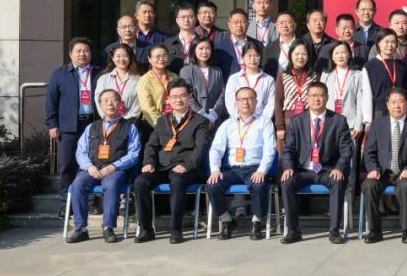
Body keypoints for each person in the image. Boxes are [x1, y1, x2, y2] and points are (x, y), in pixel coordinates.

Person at [133, 80, 210, 244]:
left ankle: (176, 229)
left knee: (177, 180)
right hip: (162, 167)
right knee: (140, 182)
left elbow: (201, 149)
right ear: (168, 99)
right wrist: (149, 162)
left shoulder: (200, 121)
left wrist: (187, 165)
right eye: (174, 97)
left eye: (182, 96)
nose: (178, 100)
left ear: (189, 97)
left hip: (187, 169)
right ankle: (146, 229)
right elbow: (151, 145)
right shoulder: (162, 121)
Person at [280, 81, 353, 244]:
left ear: (327, 98)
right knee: (287, 181)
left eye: (320, 95)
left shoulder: (338, 120)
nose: (317, 99)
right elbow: (289, 149)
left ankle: (334, 230)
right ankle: (293, 230)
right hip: (304, 171)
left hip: (328, 170)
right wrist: (288, 167)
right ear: (307, 98)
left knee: (338, 180)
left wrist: (339, 167)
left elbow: (346, 149)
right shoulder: (297, 121)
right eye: (313, 95)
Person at [66, 89, 142, 243]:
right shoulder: (91, 127)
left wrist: (114, 166)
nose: (110, 103)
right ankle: (81, 229)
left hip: (116, 170)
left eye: (114, 100)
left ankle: (108, 227)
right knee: (78, 184)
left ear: (120, 104)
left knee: (111, 184)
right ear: (100, 105)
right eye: (105, 100)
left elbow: (134, 154)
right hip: (93, 168)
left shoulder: (130, 127)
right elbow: (81, 152)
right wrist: (89, 167)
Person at [361, 88, 407, 244]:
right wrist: (373, 169)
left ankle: (406, 231)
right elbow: (369, 152)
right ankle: (374, 231)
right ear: (387, 105)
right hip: (383, 173)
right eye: (393, 102)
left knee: (406, 186)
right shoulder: (378, 124)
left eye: (400, 102)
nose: (397, 106)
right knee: (369, 185)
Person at [206, 86, 276, 240]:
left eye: (250, 98)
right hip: (232, 169)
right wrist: (215, 169)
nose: (246, 102)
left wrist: (262, 170)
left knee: (259, 185)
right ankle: (226, 220)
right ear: (236, 103)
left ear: (256, 102)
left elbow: (270, 149)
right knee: (213, 185)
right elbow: (216, 149)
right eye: (242, 99)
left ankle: (256, 222)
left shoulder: (265, 122)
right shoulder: (227, 124)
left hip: (254, 169)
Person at [48, 38, 101, 197]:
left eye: (86, 51)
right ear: (71, 54)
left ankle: (91, 201)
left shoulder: (99, 73)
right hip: (68, 126)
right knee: (67, 164)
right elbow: (51, 100)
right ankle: (66, 202)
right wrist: (52, 124)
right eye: (78, 51)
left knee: (93, 163)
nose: (82, 54)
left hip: (93, 124)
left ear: (91, 54)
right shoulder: (60, 73)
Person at [322, 40, 373, 137]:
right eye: (337, 53)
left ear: (349, 54)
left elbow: (360, 101)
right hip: (329, 123)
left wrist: (358, 124)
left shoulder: (358, 75)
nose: (340, 56)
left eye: (343, 52)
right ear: (332, 57)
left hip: (351, 124)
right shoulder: (326, 75)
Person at [274, 40, 315, 155]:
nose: (300, 57)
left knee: (305, 156)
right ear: (290, 55)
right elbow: (278, 101)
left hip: (308, 121)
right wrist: (280, 126)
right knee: (286, 157)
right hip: (288, 121)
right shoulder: (283, 75)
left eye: (304, 54)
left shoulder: (314, 76)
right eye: (297, 54)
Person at [179, 37, 226, 124]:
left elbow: (223, 93)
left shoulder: (217, 71)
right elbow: (187, 94)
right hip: (193, 118)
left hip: (215, 119)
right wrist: (201, 113)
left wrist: (214, 114)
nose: (204, 51)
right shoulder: (186, 71)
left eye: (207, 48)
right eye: (201, 48)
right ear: (194, 50)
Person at [223, 41, 276, 119]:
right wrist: (240, 119)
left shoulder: (269, 80)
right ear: (243, 58)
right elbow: (230, 102)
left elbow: (270, 104)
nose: (253, 59)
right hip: (238, 122)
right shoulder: (234, 79)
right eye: (249, 56)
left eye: (256, 55)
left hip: (261, 122)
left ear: (260, 58)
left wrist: (262, 121)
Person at [366, 31, 407, 118]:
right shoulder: (369, 66)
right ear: (379, 43)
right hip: (379, 111)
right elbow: (366, 95)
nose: (390, 45)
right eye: (386, 42)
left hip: (399, 109)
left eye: (393, 42)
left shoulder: (402, 66)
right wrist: (367, 120)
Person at [94, 43, 141, 122]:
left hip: (130, 122)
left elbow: (138, 104)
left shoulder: (138, 80)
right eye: (118, 56)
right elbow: (98, 101)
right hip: (108, 122)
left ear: (130, 58)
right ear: (112, 58)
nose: (121, 59)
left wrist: (128, 121)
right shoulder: (103, 79)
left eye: (125, 56)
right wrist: (108, 118)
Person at [136, 44, 179, 128]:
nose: (161, 59)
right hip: (153, 125)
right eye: (157, 56)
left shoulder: (175, 77)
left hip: (175, 121)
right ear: (149, 59)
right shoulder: (144, 80)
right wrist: (163, 127)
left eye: (164, 56)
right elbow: (147, 107)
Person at [163, 3, 198, 73]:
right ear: (177, 20)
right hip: (174, 78)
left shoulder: (202, 42)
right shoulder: (168, 43)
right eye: (183, 17)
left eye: (190, 17)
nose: (186, 20)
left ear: (196, 19)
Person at [263, 11, 300, 77]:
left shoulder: (303, 45)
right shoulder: (270, 48)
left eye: (288, 22)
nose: (284, 25)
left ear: (295, 25)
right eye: (281, 23)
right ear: (277, 26)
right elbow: (266, 71)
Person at [215, 9, 251, 76]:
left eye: (243, 22)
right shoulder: (219, 47)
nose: (239, 25)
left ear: (248, 24)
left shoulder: (257, 45)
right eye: (235, 22)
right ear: (229, 24)